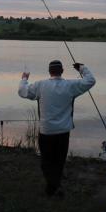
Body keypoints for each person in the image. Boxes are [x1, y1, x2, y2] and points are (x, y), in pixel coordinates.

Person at [18, 59, 96, 197]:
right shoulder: (71, 85)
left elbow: (22, 91)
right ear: (62, 71)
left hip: (46, 131)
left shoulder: (40, 85)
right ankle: (55, 186)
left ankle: (52, 186)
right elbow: (90, 81)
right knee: (59, 161)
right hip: (63, 132)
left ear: (49, 71)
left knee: (46, 161)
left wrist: (24, 78)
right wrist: (82, 68)